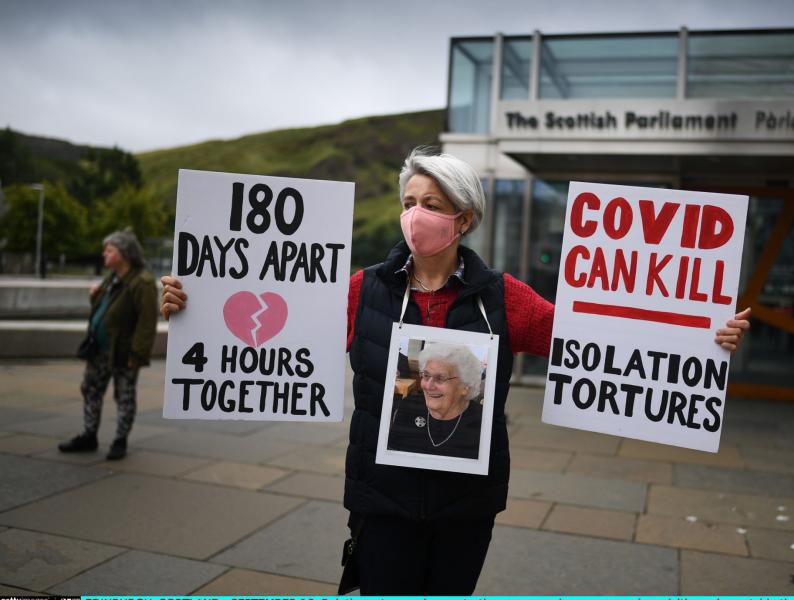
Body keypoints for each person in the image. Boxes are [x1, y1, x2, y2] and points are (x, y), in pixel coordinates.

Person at [160, 147, 751, 594]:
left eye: (432, 206)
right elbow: (283, 327)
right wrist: (195, 307)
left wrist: (702, 336)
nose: (416, 215)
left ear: (463, 221)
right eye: (409, 203)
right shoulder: (364, 289)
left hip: (465, 504)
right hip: (381, 497)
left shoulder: (503, 297)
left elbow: (591, 337)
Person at [59, 230, 158, 460]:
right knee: (91, 389)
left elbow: (147, 323)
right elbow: (107, 310)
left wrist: (138, 354)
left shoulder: (141, 282)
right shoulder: (112, 277)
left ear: (124, 253)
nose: (104, 254)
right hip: (99, 350)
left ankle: (120, 440)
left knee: (124, 395)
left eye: (110, 250)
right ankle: (89, 434)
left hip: (123, 352)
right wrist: (95, 296)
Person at [388, 342, 484, 459]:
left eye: (440, 378)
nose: (428, 386)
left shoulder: (483, 421)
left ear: (465, 386)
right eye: (426, 375)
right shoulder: (408, 406)